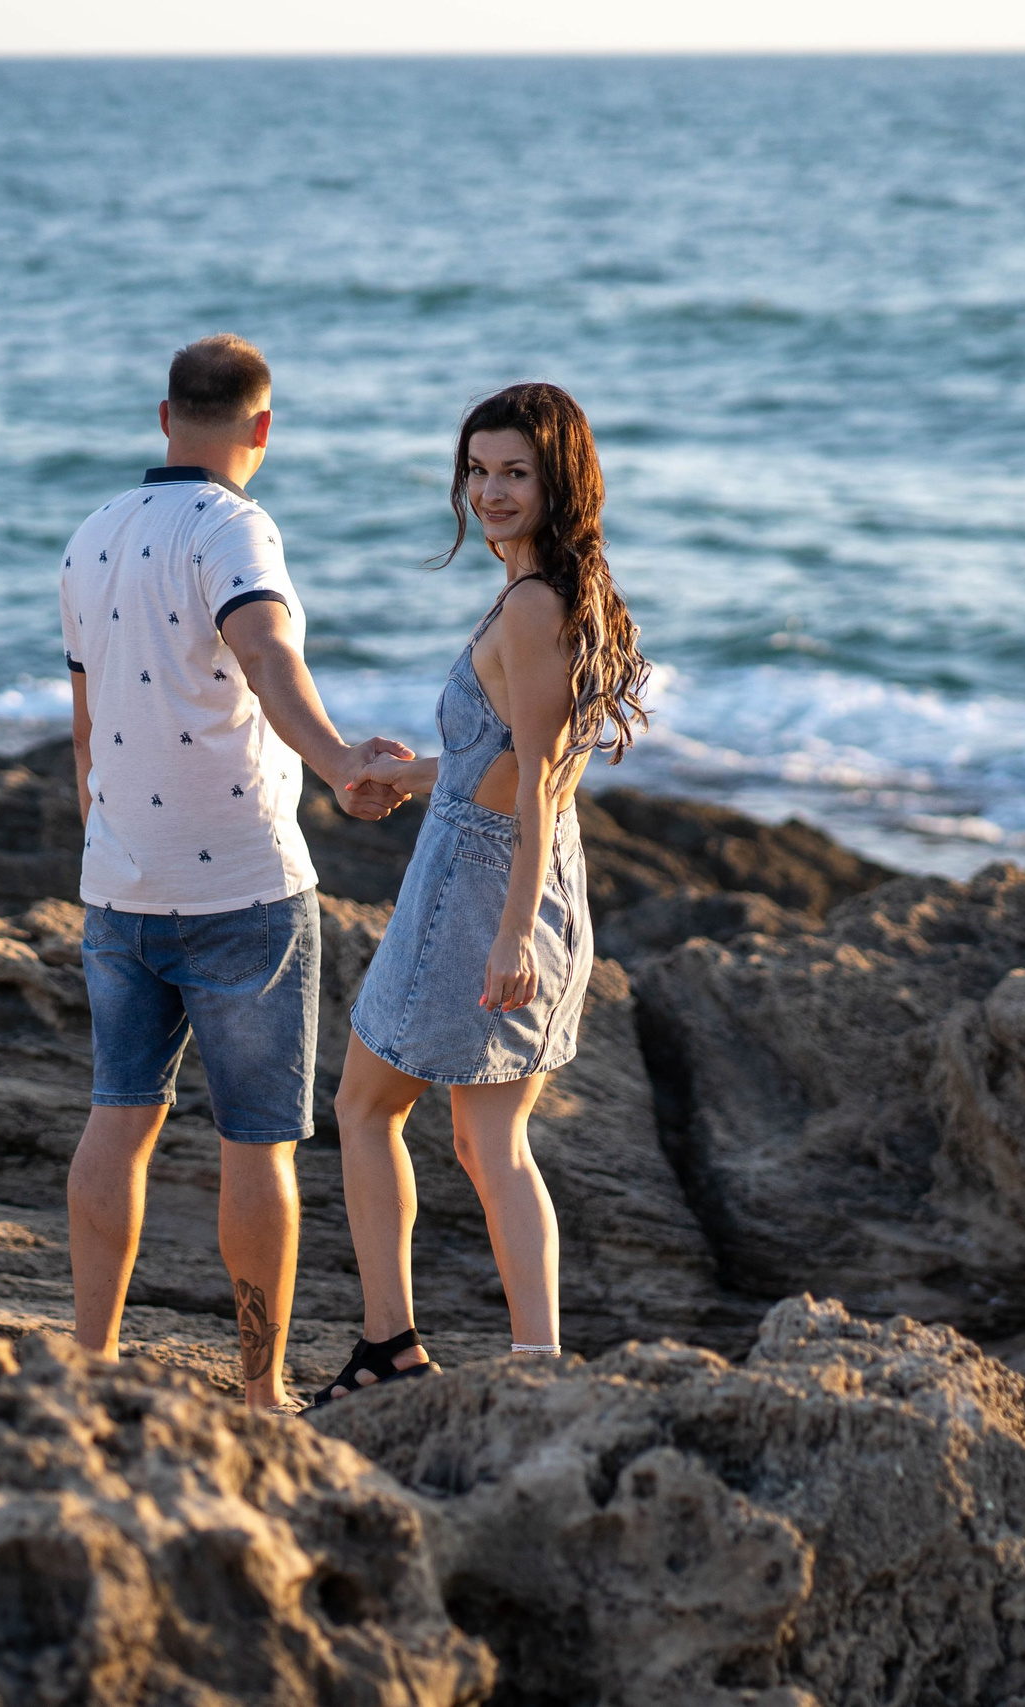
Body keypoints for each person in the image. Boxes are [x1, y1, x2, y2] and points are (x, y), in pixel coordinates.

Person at [61, 333, 410, 1412]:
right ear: (262, 428)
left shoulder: (90, 535)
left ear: (166, 418)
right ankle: (260, 1394)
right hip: (242, 891)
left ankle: (88, 1365)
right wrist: (340, 761)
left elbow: (85, 728)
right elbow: (265, 652)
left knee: (117, 1120)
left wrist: (109, 844)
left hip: (119, 883)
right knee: (257, 1146)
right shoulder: (234, 527)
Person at [316, 382, 652, 1403]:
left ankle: (390, 1348)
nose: (491, 491)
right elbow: (502, 761)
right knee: (486, 1140)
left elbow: (541, 777)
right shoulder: (563, 593)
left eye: (516, 472)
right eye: (477, 470)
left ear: (560, 481)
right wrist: (407, 776)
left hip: (479, 889)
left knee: (364, 1110)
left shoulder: (535, 602)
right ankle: (535, 1367)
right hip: (523, 872)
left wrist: (510, 936)